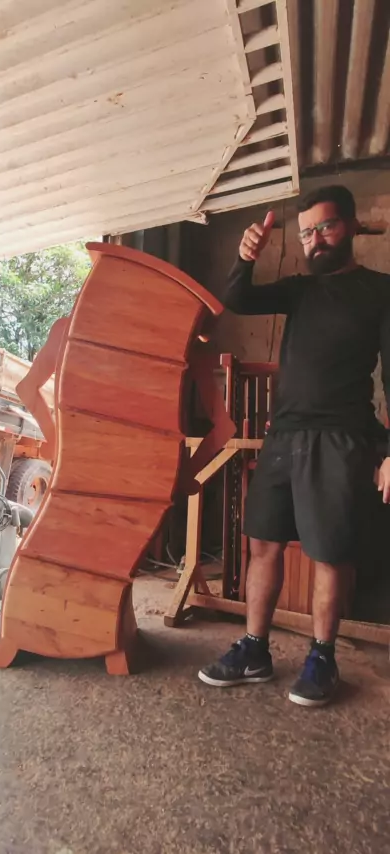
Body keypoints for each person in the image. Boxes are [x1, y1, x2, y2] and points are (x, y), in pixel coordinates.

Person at [198, 184, 390, 707]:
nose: (315, 240)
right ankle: (255, 649)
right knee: (263, 543)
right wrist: (245, 257)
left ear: (350, 226)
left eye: (325, 227)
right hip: (283, 434)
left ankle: (322, 658)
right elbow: (239, 299)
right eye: (306, 233)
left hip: (341, 438)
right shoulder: (299, 290)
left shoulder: (379, 290)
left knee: (330, 553)